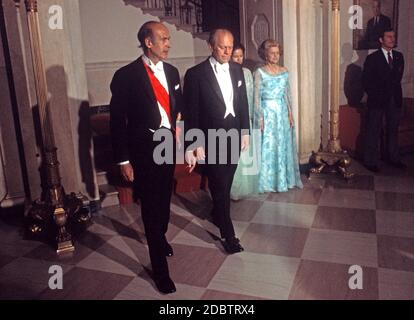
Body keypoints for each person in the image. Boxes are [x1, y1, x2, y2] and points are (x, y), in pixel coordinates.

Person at [109, 21, 183, 294]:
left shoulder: (173, 72)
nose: (168, 43)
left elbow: (179, 110)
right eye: (163, 39)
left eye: (169, 39)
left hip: (168, 146)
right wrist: (123, 160)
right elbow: (117, 122)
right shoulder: (126, 76)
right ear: (148, 42)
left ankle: (160, 236)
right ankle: (160, 272)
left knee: (164, 200)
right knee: (151, 207)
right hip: (143, 149)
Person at [183, 29, 250, 254]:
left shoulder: (238, 70)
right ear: (211, 46)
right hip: (211, 138)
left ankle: (217, 212)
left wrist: (245, 131)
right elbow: (191, 113)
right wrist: (194, 143)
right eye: (222, 46)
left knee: (226, 182)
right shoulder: (195, 74)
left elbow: (242, 104)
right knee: (220, 185)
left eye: (230, 46)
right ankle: (228, 234)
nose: (227, 51)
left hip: (234, 136)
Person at [254, 39, 303, 193]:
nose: (275, 56)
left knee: (282, 146)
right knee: (268, 147)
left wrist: (290, 113)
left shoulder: (284, 71)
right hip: (267, 113)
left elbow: (287, 95)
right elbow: (256, 97)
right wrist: (258, 118)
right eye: (272, 53)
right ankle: (267, 182)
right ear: (265, 54)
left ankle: (283, 180)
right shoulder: (259, 72)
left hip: (281, 114)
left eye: (277, 53)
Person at [362, 28, 406, 172]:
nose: (392, 39)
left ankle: (393, 158)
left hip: (394, 100)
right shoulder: (372, 58)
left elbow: (397, 79)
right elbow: (366, 82)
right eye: (388, 37)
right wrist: (378, 95)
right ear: (381, 40)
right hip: (377, 100)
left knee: (392, 130)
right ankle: (370, 161)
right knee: (373, 130)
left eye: (393, 36)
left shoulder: (399, 56)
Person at [230, 43, 260, 200]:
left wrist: (255, 116)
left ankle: (246, 187)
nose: (238, 59)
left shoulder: (247, 72)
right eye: (235, 56)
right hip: (232, 119)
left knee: (246, 151)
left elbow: (253, 94)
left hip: (246, 116)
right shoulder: (227, 72)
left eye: (241, 56)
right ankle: (233, 189)